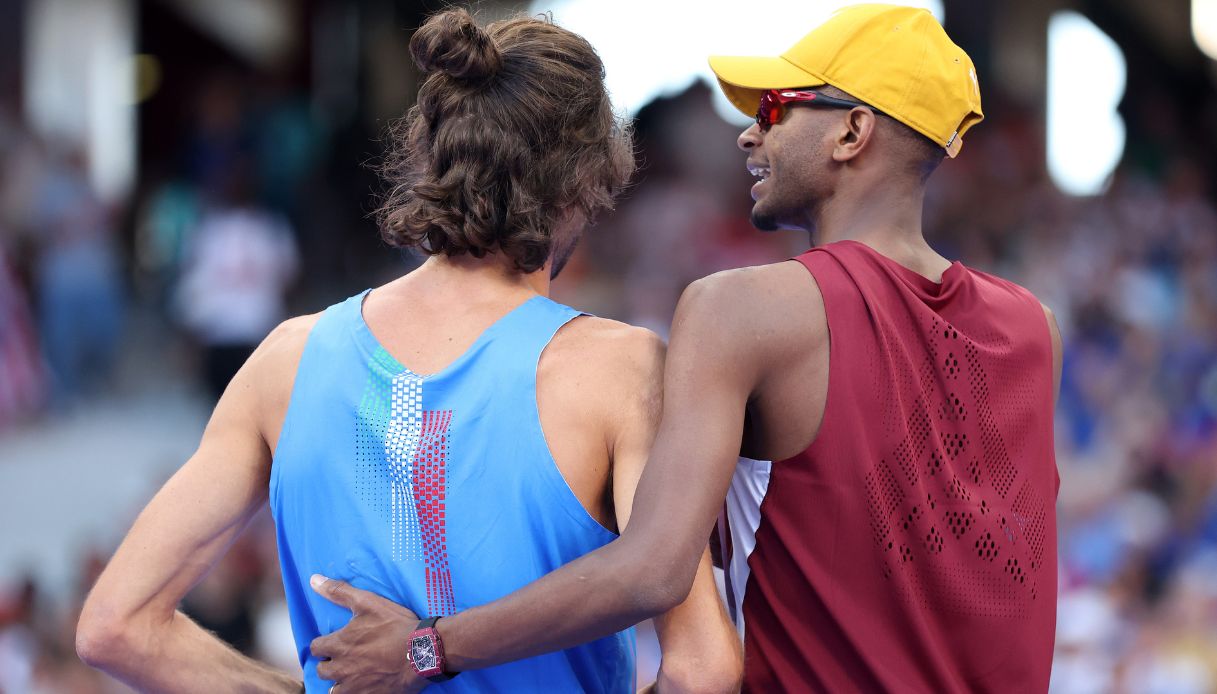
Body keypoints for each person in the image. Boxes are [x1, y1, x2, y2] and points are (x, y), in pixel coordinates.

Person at [304, 5, 1064, 693]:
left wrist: (426, 649)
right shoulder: (1031, 326)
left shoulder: (742, 308)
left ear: (850, 132)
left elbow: (651, 570)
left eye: (774, 110)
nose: (748, 133)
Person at [75, 9, 741, 693]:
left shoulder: (288, 359)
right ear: (587, 179)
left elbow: (114, 625)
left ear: (430, 155)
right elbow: (702, 670)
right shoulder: (620, 370)